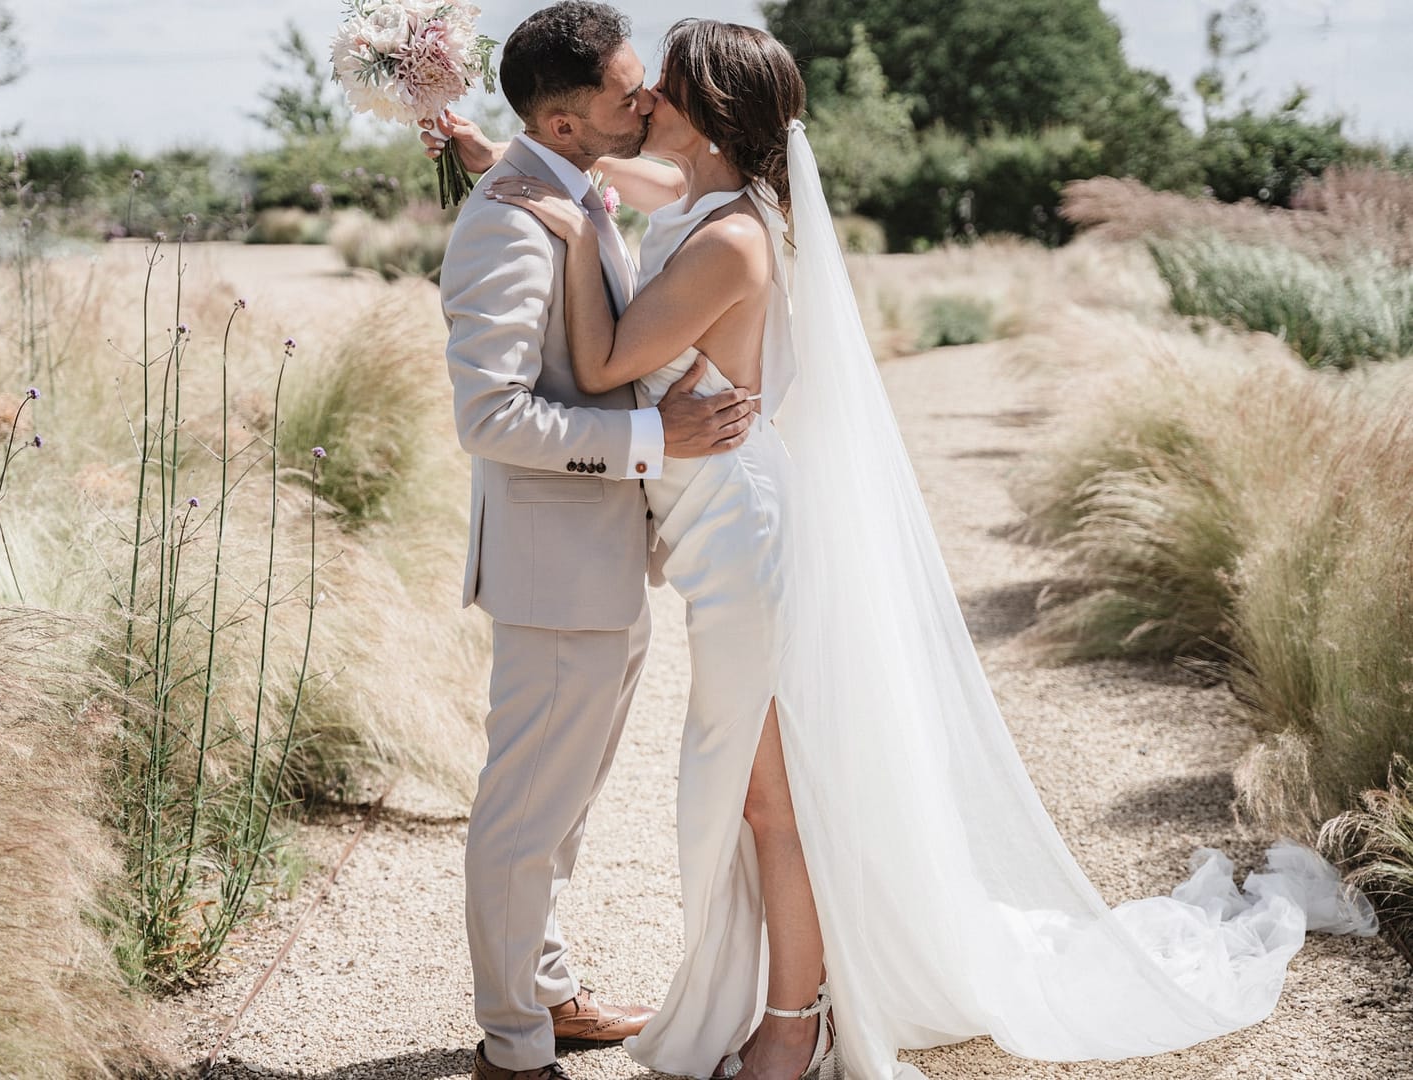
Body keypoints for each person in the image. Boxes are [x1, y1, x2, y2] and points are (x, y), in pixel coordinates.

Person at [439, 15, 1378, 1080]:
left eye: (661, 86)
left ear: (707, 115)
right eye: (630, 88)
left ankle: (794, 1022)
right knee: (752, 787)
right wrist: (528, 167)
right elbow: (629, 190)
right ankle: (784, 1001)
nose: (645, 98)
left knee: (763, 796)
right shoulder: (701, 195)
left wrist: (566, 227)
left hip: (737, 532)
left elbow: (605, 362)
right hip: (708, 528)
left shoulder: (732, 236)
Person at [435, 5, 761, 1080]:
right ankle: (514, 1045)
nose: (648, 100)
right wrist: (645, 436)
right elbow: (490, 417)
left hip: (601, 560)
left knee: (561, 805)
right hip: (554, 569)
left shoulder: (573, 185)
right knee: (526, 812)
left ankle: (549, 989)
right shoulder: (504, 221)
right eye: (628, 92)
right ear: (568, 124)